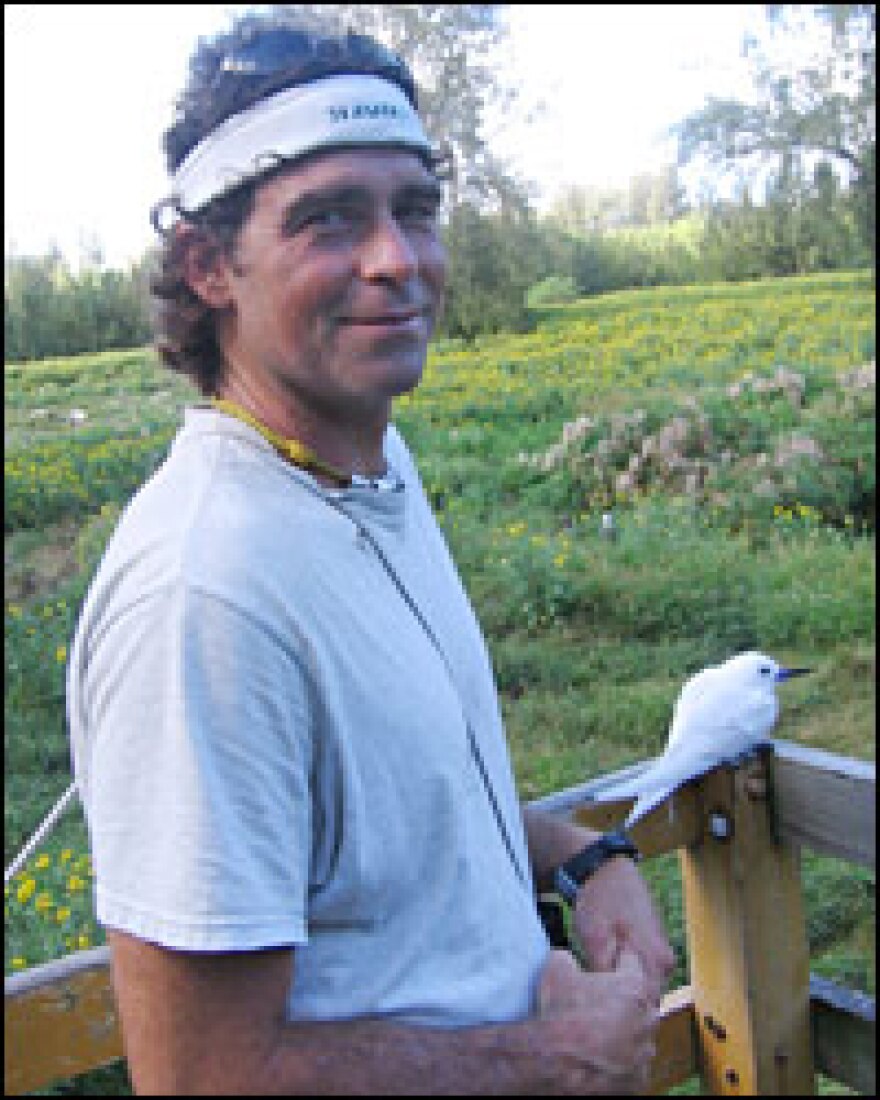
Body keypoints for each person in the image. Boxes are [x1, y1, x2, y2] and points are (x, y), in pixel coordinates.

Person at [67, 12, 674, 1095]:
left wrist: (583, 854)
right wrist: (555, 1056)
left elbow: (412, 798)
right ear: (209, 264)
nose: (397, 260)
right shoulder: (206, 592)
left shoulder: (373, 467)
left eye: (415, 209)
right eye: (330, 219)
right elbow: (201, 1074)